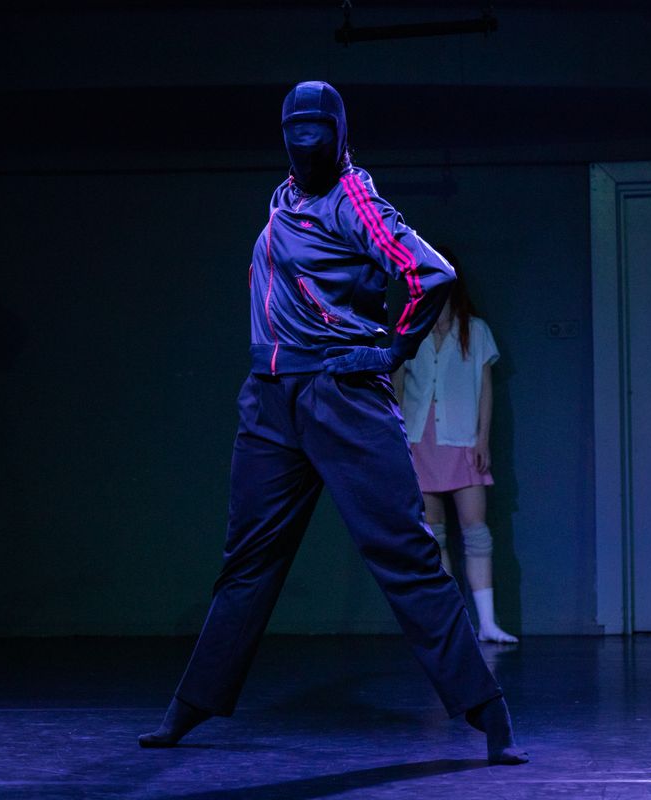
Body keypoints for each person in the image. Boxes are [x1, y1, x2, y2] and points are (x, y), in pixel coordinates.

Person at [139, 81, 527, 765]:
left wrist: (392, 350)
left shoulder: (352, 198)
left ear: (339, 134)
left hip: (340, 396)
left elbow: (430, 274)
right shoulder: (284, 199)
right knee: (248, 562)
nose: (305, 138)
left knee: (405, 553)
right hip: (270, 399)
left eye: (317, 127)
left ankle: (487, 710)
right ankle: (191, 704)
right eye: (294, 127)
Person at [393, 254, 518, 644]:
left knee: (476, 532)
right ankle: (453, 624)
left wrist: (482, 438)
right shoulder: (411, 328)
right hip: (419, 440)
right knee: (435, 537)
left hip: (462, 439)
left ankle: (488, 624)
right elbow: (397, 386)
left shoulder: (474, 330)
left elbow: (484, 390)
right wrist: (397, 440)